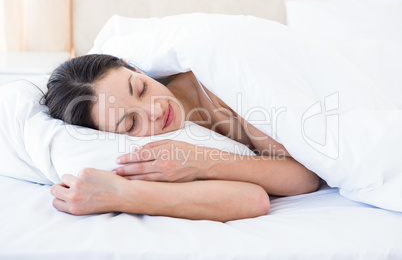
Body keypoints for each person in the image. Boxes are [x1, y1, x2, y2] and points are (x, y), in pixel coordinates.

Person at [44, 54, 320, 222]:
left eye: (140, 89)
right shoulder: (151, 151)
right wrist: (123, 194)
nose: (154, 110)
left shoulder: (222, 82)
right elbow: (251, 199)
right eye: (131, 122)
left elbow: (304, 177)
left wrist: (200, 161)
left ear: (136, 69)